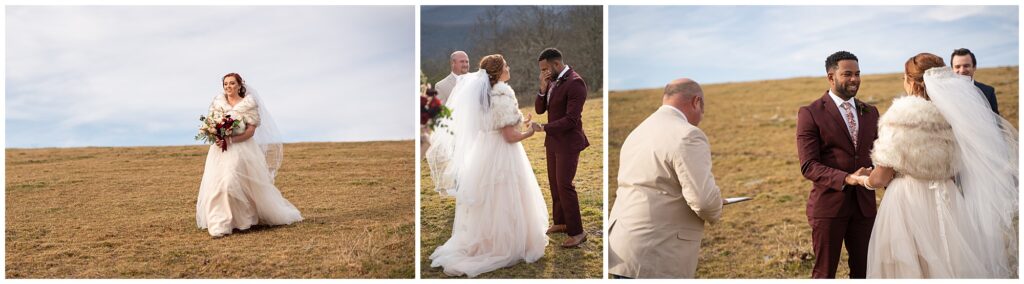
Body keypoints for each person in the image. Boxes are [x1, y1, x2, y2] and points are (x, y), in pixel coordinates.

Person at [861, 53, 1018, 278]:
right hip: (948, 199)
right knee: (951, 259)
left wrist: (859, 179)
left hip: (908, 200)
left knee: (909, 264)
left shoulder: (901, 116)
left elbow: (880, 178)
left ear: (911, 82)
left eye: (904, 77)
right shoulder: (954, 115)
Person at [428, 55, 549, 277]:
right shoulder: (502, 94)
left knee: (491, 200)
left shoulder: (484, 95)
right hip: (503, 155)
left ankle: (488, 238)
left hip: (485, 153)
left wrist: (521, 121)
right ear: (499, 72)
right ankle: (506, 243)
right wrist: (530, 132)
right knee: (506, 197)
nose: (509, 67)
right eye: (506, 65)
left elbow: (496, 124)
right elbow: (509, 136)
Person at [607, 78, 724, 278]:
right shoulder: (688, 134)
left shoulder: (637, 132)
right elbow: (703, 201)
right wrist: (718, 205)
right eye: (701, 113)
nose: (699, 119)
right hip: (659, 253)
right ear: (696, 102)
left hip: (621, 249)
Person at [795, 51, 878, 278]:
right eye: (848, 74)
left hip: (865, 207)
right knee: (825, 273)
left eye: (858, 74)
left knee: (865, 271)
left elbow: (879, 154)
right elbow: (809, 165)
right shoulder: (810, 113)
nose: (855, 79)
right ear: (831, 77)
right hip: (829, 207)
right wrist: (848, 178)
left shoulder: (871, 112)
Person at [196, 73, 302, 237]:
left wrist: (231, 139)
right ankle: (220, 223)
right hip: (219, 150)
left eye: (232, 83)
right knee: (216, 183)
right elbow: (211, 124)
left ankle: (242, 219)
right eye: (225, 84)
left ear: (239, 85)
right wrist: (216, 136)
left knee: (231, 182)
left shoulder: (248, 104)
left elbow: (250, 131)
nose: (228, 87)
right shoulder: (218, 103)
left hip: (241, 149)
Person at [532, 48, 590, 248]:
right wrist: (542, 87)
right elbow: (540, 109)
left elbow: (571, 120)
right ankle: (561, 222)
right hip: (553, 141)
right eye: (541, 70)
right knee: (554, 183)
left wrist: (544, 128)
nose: (543, 73)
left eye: (545, 69)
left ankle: (577, 232)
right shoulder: (551, 81)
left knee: (565, 185)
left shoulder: (575, 83)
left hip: (568, 141)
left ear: (556, 65)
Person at [950, 48, 998, 114]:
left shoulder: (988, 91)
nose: (962, 70)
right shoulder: (944, 92)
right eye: (957, 67)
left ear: (974, 67)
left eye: (966, 66)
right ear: (952, 69)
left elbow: (996, 121)